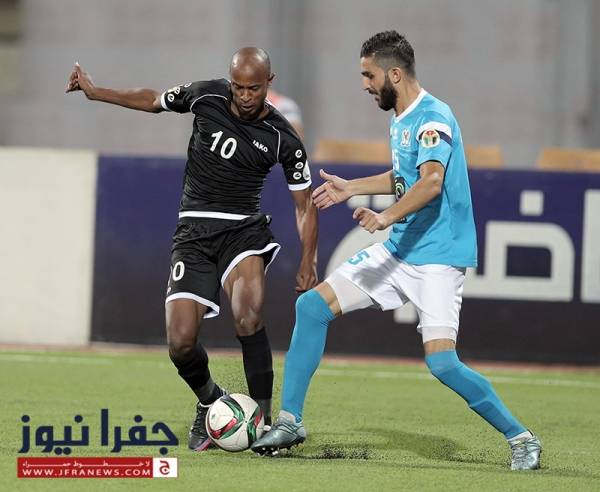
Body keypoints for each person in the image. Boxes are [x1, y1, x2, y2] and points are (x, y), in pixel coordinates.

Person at [252, 31, 541, 471]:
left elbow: (431, 181)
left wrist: (385, 217)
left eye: (369, 76)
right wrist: (352, 186)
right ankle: (290, 421)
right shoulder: (402, 118)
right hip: (400, 251)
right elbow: (404, 174)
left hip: (438, 258)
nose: (365, 85)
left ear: (394, 74)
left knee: (443, 364)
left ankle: (522, 438)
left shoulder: (433, 118)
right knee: (312, 307)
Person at [65, 47, 318, 451]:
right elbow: (153, 100)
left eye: (254, 88)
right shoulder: (206, 95)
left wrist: (308, 260)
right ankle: (210, 400)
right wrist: (96, 93)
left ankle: (265, 424)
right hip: (194, 234)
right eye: (238, 87)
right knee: (180, 342)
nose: (245, 96)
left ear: (269, 83)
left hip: (243, 230)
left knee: (248, 315)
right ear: (230, 81)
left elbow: (304, 205)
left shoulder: (282, 137)